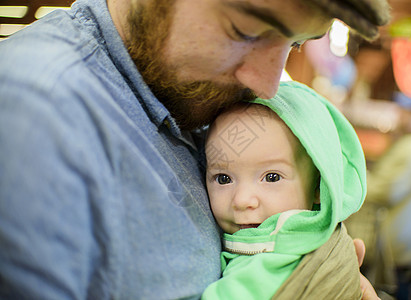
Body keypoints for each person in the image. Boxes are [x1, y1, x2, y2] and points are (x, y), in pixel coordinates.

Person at [0, 0, 390, 298]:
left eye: (296, 43)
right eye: (246, 30)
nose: (268, 85)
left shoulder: (192, 92)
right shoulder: (35, 118)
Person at [202, 81, 366, 299]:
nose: (242, 200)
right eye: (223, 178)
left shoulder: (272, 261)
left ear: (319, 186)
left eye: (272, 177)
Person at [345, 95, 411, 299]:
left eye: (405, 112)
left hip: (396, 239)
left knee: (393, 290)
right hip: (403, 237)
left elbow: (389, 191)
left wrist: (355, 179)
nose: (399, 116)